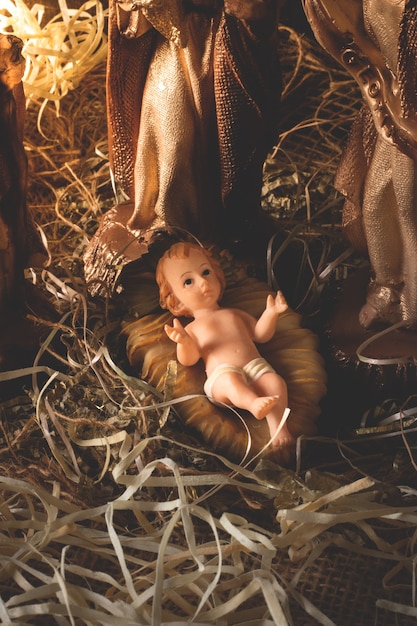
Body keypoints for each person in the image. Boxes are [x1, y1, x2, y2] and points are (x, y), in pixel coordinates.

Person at [84, 0, 285, 294]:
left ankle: (223, 228)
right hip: (170, 55)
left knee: (224, 145)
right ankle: (167, 219)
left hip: (220, 49)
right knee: (171, 137)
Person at [303, 0, 417, 328]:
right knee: (377, 201)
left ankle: (412, 304)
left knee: (410, 212)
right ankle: (388, 288)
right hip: (388, 107)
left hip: (409, 114)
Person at [156, 241, 293, 454]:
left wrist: (271, 313)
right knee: (232, 382)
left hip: (254, 366)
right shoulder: (193, 328)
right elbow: (189, 359)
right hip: (222, 376)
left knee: (275, 382)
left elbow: (260, 334)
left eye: (206, 271)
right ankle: (253, 403)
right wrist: (183, 342)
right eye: (189, 281)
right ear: (176, 302)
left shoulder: (233, 314)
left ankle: (279, 428)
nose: (203, 282)